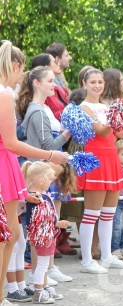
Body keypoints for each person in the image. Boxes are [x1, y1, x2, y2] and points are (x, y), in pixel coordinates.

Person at [0, 40, 68, 306]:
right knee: (8, 236)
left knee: (11, 235)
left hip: (7, 164)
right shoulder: (4, 93)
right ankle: (2, 299)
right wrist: (51, 153)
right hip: (5, 163)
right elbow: (11, 142)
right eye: (22, 70)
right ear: (15, 66)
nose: (21, 77)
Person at [17, 66, 75, 282]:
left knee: (46, 223)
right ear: (37, 83)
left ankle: (47, 268)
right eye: (50, 81)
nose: (54, 84)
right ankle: (38, 273)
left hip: (46, 167)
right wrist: (67, 134)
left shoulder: (41, 108)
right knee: (39, 226)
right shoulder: (37, 110)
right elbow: (47, 144)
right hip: (41, 168)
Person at [76, 69, 123, 273]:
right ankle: (87, 260)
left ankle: (107, 256)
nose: (97, 85)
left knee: (108, 213)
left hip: (111, 157)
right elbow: (100, 131)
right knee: (91, 213)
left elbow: (120, 132)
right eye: (93, 82)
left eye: (100, 82)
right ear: (84, 83)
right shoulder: (84, 107)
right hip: (95, 158)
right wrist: (115, 117)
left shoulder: (106, 106)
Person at [22, 161, 66, 304]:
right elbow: (41, 219)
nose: (50, 183)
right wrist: (56, 223)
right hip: (42, 236)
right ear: (41, 180)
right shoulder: (37, 197)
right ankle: (39, 292)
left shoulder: (40, 195)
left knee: (44, 264)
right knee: (41, 265)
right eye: (49, 179)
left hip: (46, 236)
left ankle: (44, 287)